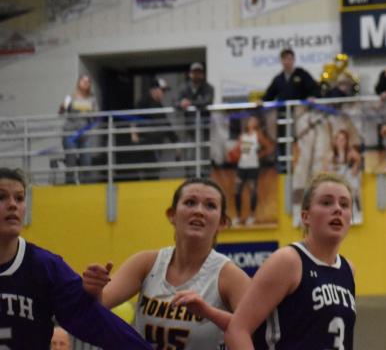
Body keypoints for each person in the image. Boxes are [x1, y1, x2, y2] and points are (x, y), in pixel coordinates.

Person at [81, 178, 251, 349]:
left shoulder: (230, 276)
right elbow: (100, 303)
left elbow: (254, 330)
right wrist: (94, 290)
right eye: (190, 202)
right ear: (172, 215)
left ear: (222, 223)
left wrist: (208, 312)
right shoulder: (145, 263)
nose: (199, 211)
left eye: (210, 206)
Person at [0, 167, 152, 349]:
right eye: (1, 197)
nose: (13, 205)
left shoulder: (46, 267)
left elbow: (96, 321)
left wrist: (89, 295)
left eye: (19, 198)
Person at [224, 172, 357, 349]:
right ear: (305, 216)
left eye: (344, 204)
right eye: (326, 202)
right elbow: (237, 330)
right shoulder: (289, 261)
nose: (337, 209)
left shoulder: (348, 269)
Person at [119, 78, 177, 181]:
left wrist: (176, 142)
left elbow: (166, 126)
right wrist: (134, 133)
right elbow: (133, 118)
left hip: (155, 145)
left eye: (164, 91)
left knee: (153, 173)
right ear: (153, 90)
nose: (163, 93)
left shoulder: (159, 106)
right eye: (162, 90)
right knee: (141, 172)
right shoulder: (143, 103)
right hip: (144, 144)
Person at [231, 114, 275, 226]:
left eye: (253, 120)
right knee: (237, 190)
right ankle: (238, 216)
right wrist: (234, 153)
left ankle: (252, 215)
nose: (251, 121)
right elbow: (237, 149)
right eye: (250, 120)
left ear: (257, 123)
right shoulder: (243, 136)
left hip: (253, 166)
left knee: (252, 190)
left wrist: (259, 155)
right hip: (242, 165)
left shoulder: (258, 135)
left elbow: (270, 147)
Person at [58, 73, 100, 184]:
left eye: (88, 81)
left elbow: (96, 116)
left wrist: (92, 115)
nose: (86, 83)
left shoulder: (92, 99)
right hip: (70, 133)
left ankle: (85, 187)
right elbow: (61, 111)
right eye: (83, 81)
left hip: (85, 134)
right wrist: (62, 106)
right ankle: (70, 186)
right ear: (79, 83)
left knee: (86, 161)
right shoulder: (70, 97)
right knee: (70, 161)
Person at [177, 62, 215, 168]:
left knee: (204, 154)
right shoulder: (184, 88)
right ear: (190, 74)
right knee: (190, 155)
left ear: (202, 74)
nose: (196, 75)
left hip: (204, 127)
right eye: (194, 72)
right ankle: (190, 177)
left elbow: (208, 101)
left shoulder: (208, 87)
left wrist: (190, 103)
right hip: (189, 127)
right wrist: (181, 103)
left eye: (199, 72)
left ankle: (204, 178)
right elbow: (175, 102)